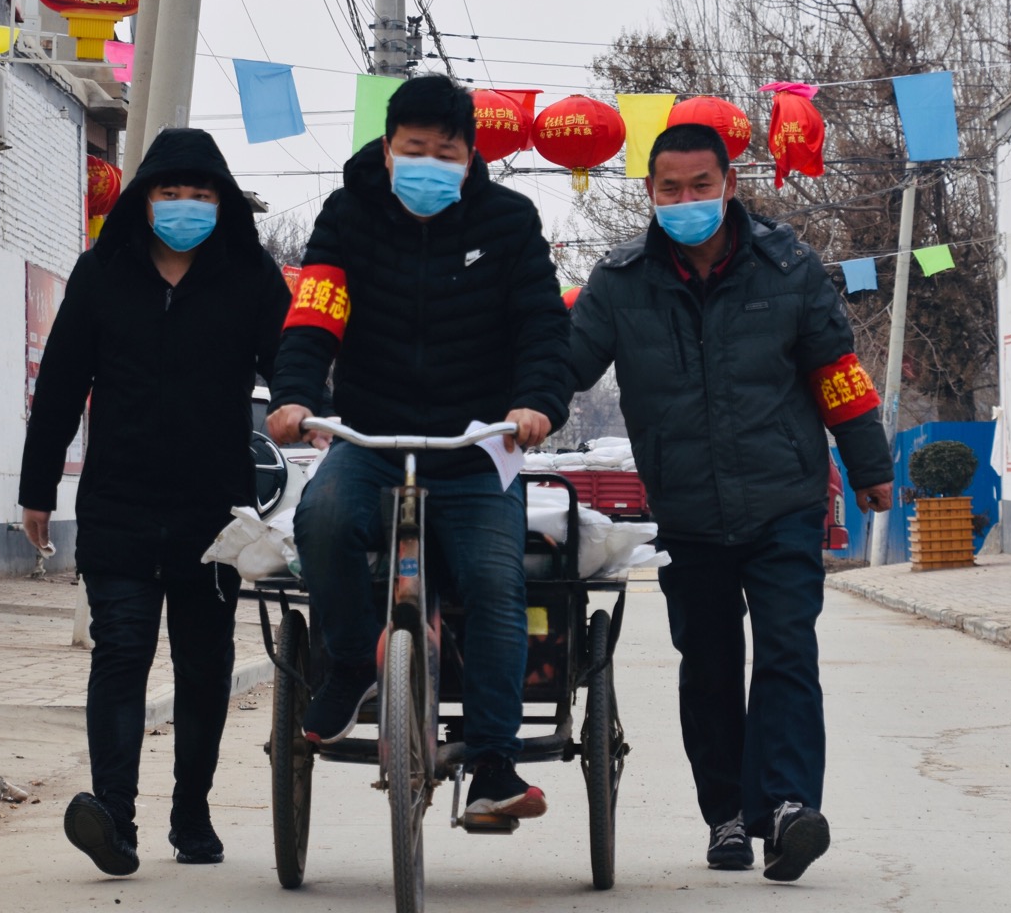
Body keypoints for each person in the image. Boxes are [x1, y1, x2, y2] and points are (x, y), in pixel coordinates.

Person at [567, 122, 893, 881]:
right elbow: (565, 366)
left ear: (729, 185)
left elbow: (836, 369)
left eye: (700, 186)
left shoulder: (788, 267)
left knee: (787, 651)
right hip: (686, 510)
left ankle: (786, 809)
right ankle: (727, 815)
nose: (686, 200)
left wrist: (868, 462)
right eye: (670, 189)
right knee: (709, 666)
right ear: (650, 193)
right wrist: (513, 413)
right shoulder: (620, 282)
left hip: (784, 498)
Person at [265, 73, 571, 823]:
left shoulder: (508, 221)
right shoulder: (348, 215)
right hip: (372, 437)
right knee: (323, 519)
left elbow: (541, 327)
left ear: (470, 156)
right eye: (415, 148)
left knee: (497, 583)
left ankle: (493, 763)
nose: (429, 163)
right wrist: (294, 397)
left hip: (476, 447)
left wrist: (536, 404)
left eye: (446, 152)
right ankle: (350, 662)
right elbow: (315, 316)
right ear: (387, 148)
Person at [19, 128, 291, 876]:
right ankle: (116, 817)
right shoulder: (103, 272)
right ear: (144, 199)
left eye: (201, 194)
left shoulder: (249, 277)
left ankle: (192, 814)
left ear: (222, 203)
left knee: (204, 665)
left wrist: (307, 409)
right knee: (121, 655)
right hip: (120, 504)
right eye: (170, 192)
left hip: (215, 510)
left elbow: (292, 365)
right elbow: (62, 383)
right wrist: (37, 487)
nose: (184, 206)